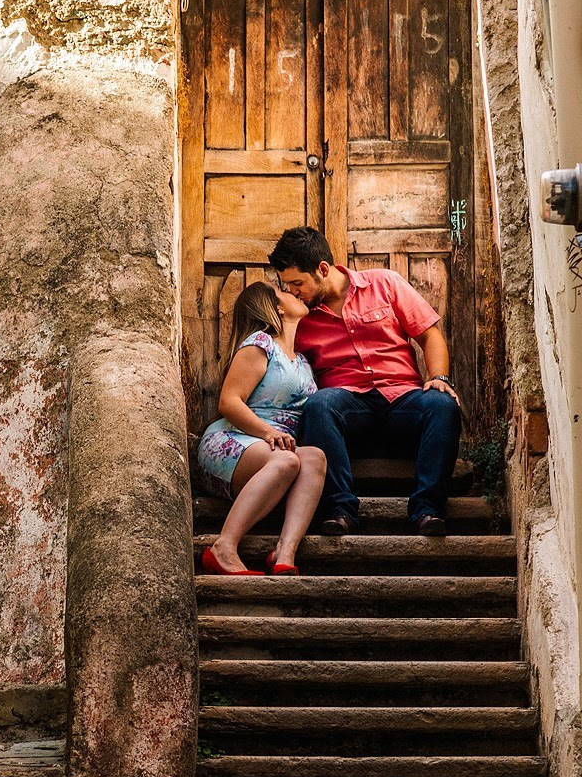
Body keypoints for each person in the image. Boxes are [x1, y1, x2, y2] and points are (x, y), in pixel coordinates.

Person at [267, 226, 461, 536]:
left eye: (297, 283)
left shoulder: (384, 283)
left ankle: (428, 510)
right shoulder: (300, 317)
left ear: (322, 269)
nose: (292, 291)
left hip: (403, 400)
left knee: (443, 405)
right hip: (346, 408)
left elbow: (429, 335)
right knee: (319, 405)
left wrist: (438, 377)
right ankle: (340, 509)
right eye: (287, 285)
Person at [193, 280, 329, 576]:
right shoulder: (261, 343)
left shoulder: (303, 362)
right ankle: (223, 547)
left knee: (315, 458)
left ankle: (285, 551)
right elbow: (229, 402)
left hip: (274, 451)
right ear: (277, 307)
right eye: (284, 290)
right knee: (287, 460)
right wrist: (268, 433)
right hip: (232, 440)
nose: (293, 292)